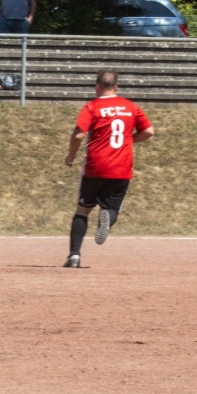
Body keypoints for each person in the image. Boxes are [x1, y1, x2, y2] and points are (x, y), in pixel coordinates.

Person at [63, 70, 154, 268]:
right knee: (112, 208)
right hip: (121, 167)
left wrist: (71, 156)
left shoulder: (92, 107)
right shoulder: (130, 107)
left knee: (83, 210)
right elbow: (148, 131)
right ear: (116, 87)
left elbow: (79, 135)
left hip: (96, 166)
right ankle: (108, 217)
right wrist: (130, 140)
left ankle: (74, 256)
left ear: (97, 85)